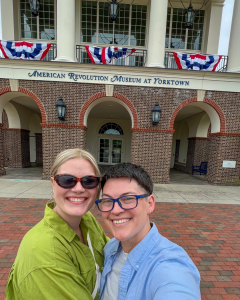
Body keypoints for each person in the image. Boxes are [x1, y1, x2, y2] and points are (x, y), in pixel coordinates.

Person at [5, 149, 109, 300]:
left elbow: (113, 252)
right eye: (67, 180)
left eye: (89, 181)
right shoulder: (45, 253)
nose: (79, 189)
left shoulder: (87, 220)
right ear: (53, 183)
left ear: (98, 186)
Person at [95, 163, 201, 300]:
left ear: (150, 204)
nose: (115, 210)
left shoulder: (170, 266)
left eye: (127, 199)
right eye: (107, 200)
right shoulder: (110, 248)